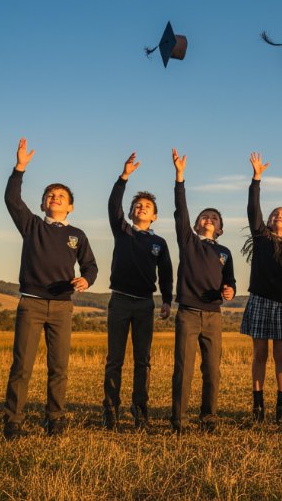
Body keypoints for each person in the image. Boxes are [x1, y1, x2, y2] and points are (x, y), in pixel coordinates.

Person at [2, 138, 98, 439]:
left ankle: (55, 419)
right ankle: (13, 422)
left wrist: (86, 280)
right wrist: (19, 168)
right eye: (50, 195)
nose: (54, 197)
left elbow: (91, 267)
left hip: (61, 307)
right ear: (43, 203)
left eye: (61, 195)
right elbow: (12, 200)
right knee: (22, 367)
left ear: (70, 206)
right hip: (31, 304)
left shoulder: (77, 235)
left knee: (59, 368)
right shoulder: (31, 225)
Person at [168, 148, 236, 433]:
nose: (208, 220)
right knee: (183, 369)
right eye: (204, 217)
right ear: (195, 225)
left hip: (213, 316)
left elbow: (229, 283)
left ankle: (208, 419)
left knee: (212, 371)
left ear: (220, 229)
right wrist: (180, 177)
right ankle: (179, 421)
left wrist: (229, 292)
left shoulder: (224, 252)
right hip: (188, 314)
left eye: (214, 218)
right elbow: (181, 211)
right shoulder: (189, 242)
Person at [103, 152, 173, 431]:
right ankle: (110, 410)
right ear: (131, 212)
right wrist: (124, 177)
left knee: (143, 361)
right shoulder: (122, 230)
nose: (142, 208)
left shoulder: (159, 243)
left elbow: (166, 273)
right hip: (119, 301)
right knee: (115, 359)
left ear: (154, 215)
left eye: (147, 206)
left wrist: (167, 300)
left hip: (145, 304)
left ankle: (140, 410)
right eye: (138, 205)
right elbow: (112, 205)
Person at [239, 152, 282, 423]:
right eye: (275, 214)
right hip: (260, 301)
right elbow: (254, 209)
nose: (278, 216)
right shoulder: (261, 237)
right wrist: (256, 179)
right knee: (260, 354)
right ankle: (258, 405)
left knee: (281, 356)